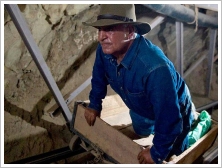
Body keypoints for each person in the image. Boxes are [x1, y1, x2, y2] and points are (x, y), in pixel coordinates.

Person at [82, 4, 195, 164]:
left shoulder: (154, 68)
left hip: (173, 107)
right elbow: (99, 77)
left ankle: (188, 127)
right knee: (141, 130)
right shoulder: (105, 50)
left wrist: (156, 153)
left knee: (173, 150)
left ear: (129, 31)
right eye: (99, 30)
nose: (101, 37)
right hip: (140, 105)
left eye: (110, 29)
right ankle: (151, 130)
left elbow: (169, 117)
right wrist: (94, 104)